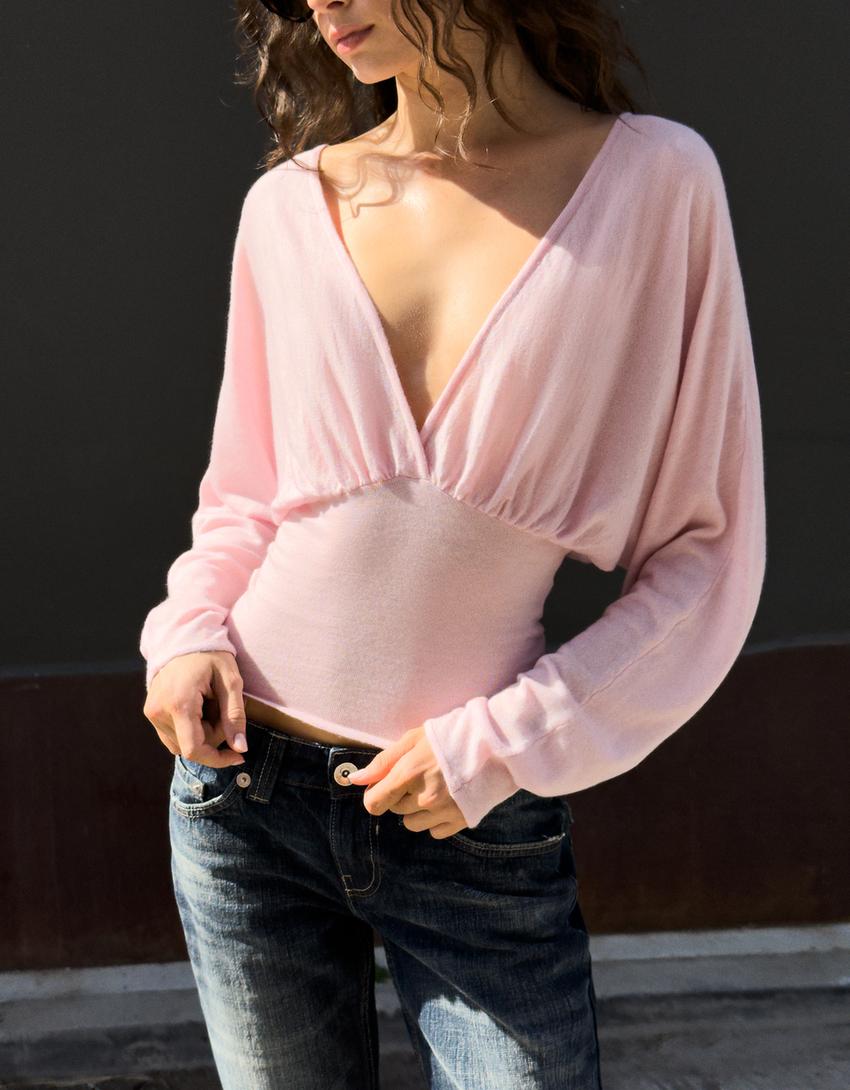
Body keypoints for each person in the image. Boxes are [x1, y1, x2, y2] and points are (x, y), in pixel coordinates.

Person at [139, 1, 766, 1087]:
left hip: (470, 811)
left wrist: (508, 745)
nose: (320, 2)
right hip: (242, 789)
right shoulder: (289, 204)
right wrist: (185, 634)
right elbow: (244, 494)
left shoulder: (655, 183)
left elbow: (706, 555)